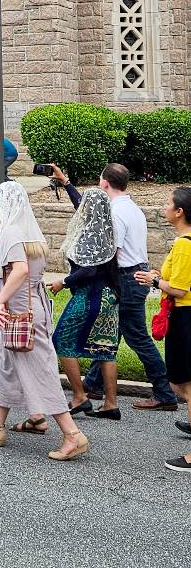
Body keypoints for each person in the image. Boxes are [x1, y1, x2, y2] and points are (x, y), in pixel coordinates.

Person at [0, 181, 88, 461]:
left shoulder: (10, 232)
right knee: (5, 364)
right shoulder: (30, 233)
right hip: (33, 306)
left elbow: (19, 271)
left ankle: (73, 434)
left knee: (40, 369)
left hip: (21, 310)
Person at [82, 162, 178, 411]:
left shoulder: (114, 212)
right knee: (111, 333)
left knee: (137, 338)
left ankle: (164, 392)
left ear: (104, 183)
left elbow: (111, 252)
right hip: (136, 273)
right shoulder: (131, 208)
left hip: (126, 277)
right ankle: (92, 383)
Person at [134, 186, 191, 473]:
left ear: (179, 212)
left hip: (185, 317)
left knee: (187, 385)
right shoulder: (184, 242)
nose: (164, 208)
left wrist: (153, 281)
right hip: (183, 316)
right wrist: (158, 276)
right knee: (180, 383)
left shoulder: (184, 244)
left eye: (168, 204)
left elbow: (179, 289)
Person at [50, 187, 120, 419]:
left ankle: (79, 396)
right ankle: (111, 403)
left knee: (62, 339)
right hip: (110, 296)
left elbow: (88, 270)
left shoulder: (88, 234)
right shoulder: (107, 230)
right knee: (105, 348)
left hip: (89, 295)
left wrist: (64, 281)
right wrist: (66, 184)